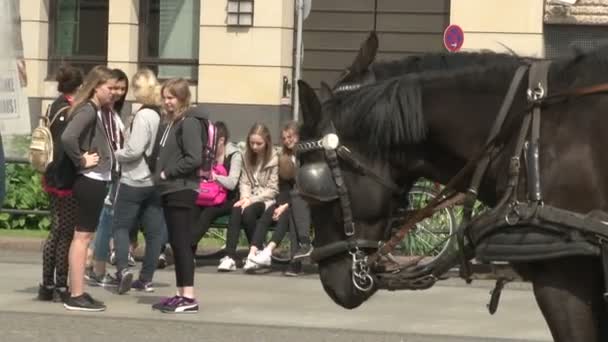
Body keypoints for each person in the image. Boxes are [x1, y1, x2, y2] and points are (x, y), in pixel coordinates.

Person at [60, 65, 117, 311]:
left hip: (94, 178)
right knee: (82, 237)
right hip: (90, 179)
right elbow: (68, 138)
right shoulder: (89, 110)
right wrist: (82, 159)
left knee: (82, 236)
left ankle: (77, 292)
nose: (114, 92)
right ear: (96, 87)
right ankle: (76, 294)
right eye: (110, 88)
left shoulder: (95, 109)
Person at [151, 78, 203, 313]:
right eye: (165, 97)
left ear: (182, 98)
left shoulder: (189, 122)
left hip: (182, 188)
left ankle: (189, 296)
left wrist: (167, 171)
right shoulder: (171, 122)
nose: (167, 102)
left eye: (171, 97)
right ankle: (181, 292)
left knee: (181, 244)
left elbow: (194, 157)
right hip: (169, 188)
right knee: (176, 242)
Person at [111, 68, 164, 294]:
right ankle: (146, 278)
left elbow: (134, 150)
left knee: (120, 227)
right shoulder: (160, 113)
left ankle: (123, 269)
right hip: (153, 181)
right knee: (153, 233)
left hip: (134, 179)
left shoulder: (143, 116)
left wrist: (116, 153)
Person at [37, 64, 83, 302]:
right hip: (64, 176)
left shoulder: (54, 105)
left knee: (55, 231)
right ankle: (60, 285)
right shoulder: (68, 109)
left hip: (52, 174)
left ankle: (46, 284)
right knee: (64, 232)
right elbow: (67, 144)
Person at [86, 68, 128, 288]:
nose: (116, 93)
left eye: (120, 89)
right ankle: (98, 269)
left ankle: (95, 263)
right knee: (104, 221)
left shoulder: (113, 113)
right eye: (112, 88)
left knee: (106, 221)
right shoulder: (95, 111)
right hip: (104, 173)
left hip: (115, 172)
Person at [217, 123, 278, 272]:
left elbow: (272, 189)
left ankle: (256, 249)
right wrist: (244, 198)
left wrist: (251, 200)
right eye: (252, 143)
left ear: (267, 142)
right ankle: (230, 256)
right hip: (249, 197)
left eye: (259, 143)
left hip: (266, 200)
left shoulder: (274, 159)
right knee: (237, 208)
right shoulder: (247, 157)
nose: (255, 147)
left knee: (249, 211)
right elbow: (244, 181)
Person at [190, 121, 242, 254]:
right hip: (207, 195)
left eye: (210, 140)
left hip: (228, 199)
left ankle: (187, 245)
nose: (207, 143)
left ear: (221, 141)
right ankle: (189, 253)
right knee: (193, 209)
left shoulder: (234, 155)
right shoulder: (207, 154)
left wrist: (215, 177)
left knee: (209, 212)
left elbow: (232, 183)